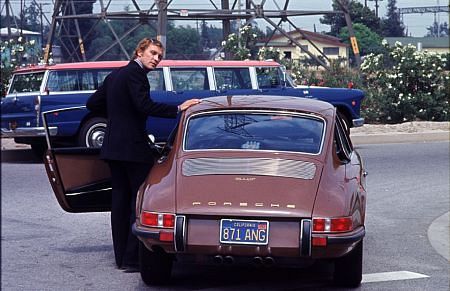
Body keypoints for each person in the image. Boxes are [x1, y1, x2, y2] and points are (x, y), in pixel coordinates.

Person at [86, 38, 200, 272]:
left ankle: (121, 259)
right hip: (133, 149)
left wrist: (117, 116)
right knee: (137, 204)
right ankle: (132, 259)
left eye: (159, 56)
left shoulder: (115, 75)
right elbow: (144, 105)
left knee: (118, 204)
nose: (156, 59)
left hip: (112, 148)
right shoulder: (137, 75)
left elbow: (92, 103)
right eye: (153, 53)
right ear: (139, 52)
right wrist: (177, 108)